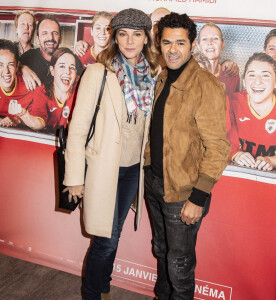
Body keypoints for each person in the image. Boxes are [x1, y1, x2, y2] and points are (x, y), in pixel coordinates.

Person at [63, 8, 159, 300]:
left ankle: (102, 287)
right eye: (123, 34)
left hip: (132, 169)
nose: (130, 41)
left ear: (145, 39)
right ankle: (93, 293)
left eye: (137, 34)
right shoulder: (97, 73)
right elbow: (78, 129)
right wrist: (75, 179)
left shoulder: (152, 76)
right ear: (116, 38)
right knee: (105, 239)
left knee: (112, 235)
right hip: (103, 168)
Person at [144, 13, 230, 300]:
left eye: (180, 43)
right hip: (155, 183)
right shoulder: (164, 76)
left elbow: (218, 147)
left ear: (192, 45)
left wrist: (198, 197)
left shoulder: (207, 85)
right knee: (161, 251)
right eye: (167, 42)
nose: (173, 49)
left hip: (184, 192)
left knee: (179, 264)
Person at [228, 52, 276, 171]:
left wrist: (271, 161)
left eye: (265, 75)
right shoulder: (231, 102)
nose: (257, 81)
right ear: (244, 81)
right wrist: (237, 155)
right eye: (251, 75)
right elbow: (227, 144)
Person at [9, 48, 78, 133]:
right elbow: (39, 124)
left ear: (76, 73)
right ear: (52, 71)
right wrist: (23, 114)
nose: (67, 71)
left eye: (72, 67)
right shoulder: (42, 91)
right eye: (62, 66)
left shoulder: (80, 90)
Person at [20, 15, 82, 90]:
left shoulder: (72, 59)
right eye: (45, 33)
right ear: (37, 39)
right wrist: (22, 68)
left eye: (55, 33)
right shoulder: (27, 58)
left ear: (60, 38)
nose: (50, 37)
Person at [197, 22, 240, 97]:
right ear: (198, 45)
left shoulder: (231, 74)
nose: (210, 42)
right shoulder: (188, 74)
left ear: (222, 44)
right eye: (204, 39)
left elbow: (235, 104)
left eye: (215, 38)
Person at [0, 39, 33, 127]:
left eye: (10, 64)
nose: (6, 71)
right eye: (0, 64)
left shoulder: (29, 87)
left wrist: (18, 120)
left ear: (17, 65)